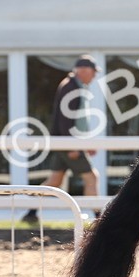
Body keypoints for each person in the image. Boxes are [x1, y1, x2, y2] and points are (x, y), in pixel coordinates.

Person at [23, 56, 102, 224]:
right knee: (91, 178)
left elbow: (74, 120)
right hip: (69, 143)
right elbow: (65, 121)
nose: (94, 76)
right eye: (93, 72)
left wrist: (84, 143)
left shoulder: (72, 85)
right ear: (83, 71)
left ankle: (30, 212)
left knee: (55, 181)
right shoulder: (71, 88)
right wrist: (72, 146)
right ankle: (99, 218)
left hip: (66, 142)